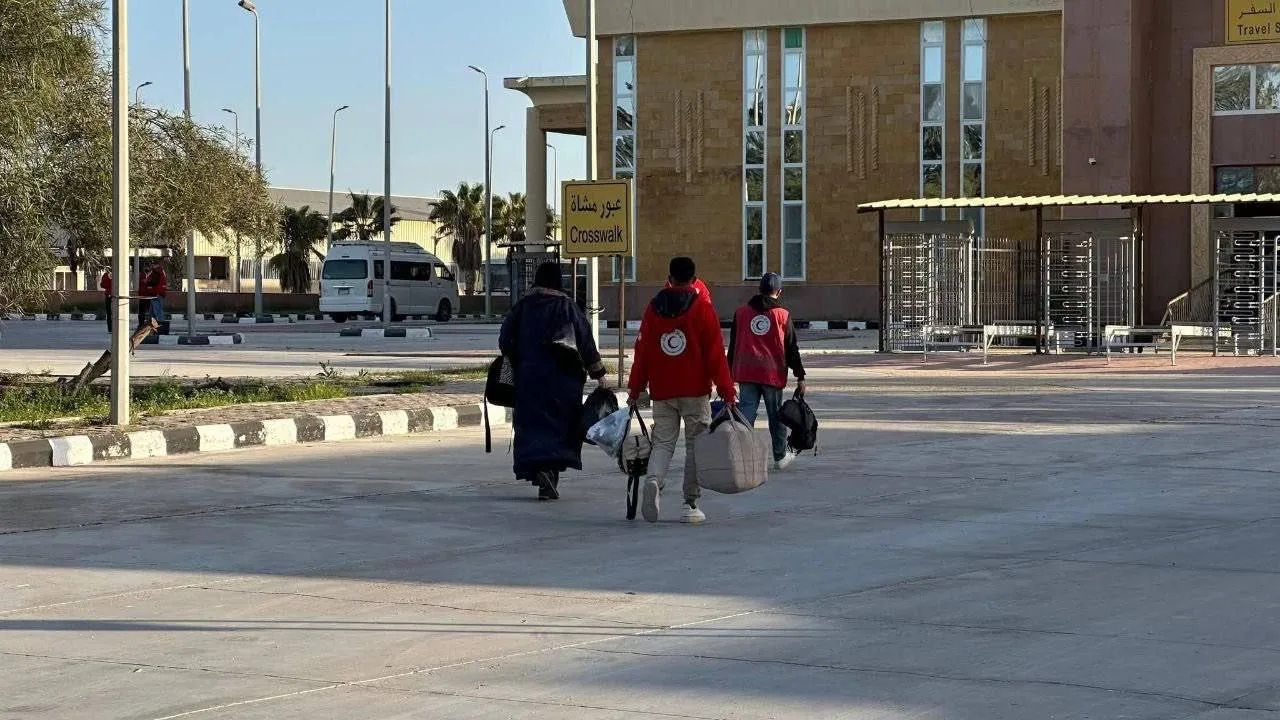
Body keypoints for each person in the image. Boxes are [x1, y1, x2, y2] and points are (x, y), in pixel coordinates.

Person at [627, 256, 735, 524]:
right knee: (696, 445)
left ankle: (654, 480)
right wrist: (727, 391)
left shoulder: (653, 309)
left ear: (670, 278)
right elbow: (715, 355)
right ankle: (690, 503)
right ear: (694, 279)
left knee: (663, 442)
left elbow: (642, 352)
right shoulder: (703, 308)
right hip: (695, 390)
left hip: (662, 390)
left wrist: (635, 389)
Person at [499, 262, 609, 501]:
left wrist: (517, 357)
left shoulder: (523, 307)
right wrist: (599, 373)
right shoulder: (568, 308)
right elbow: (586, 343)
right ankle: (550, 472)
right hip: (564, 383)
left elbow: (505, 339)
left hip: (529, 381)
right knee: (561, 427)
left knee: (531, 426)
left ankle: (539, 471)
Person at [728, 272, 807, 471]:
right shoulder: (782, 315)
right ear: (779, 292)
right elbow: (791, 348)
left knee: (746, 414)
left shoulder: (741, 313)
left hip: (746, 371)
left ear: (759, 289)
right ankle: (780, 456)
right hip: (772, 372)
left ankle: (743, 457)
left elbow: (733, 345)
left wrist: (727, 375)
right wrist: (800, 375)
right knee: (776, 415)